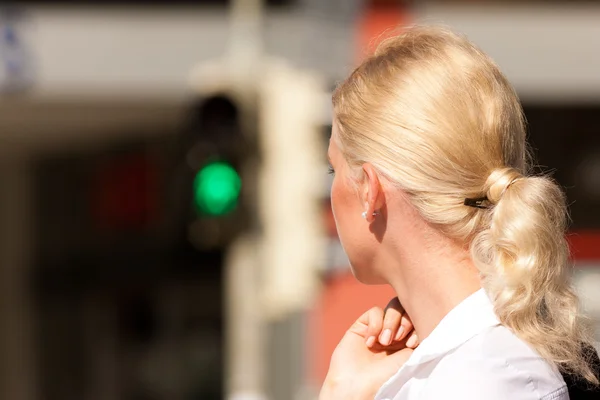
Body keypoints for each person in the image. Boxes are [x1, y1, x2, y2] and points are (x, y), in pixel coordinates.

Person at [319, 26, 600, 400]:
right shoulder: (484, 365)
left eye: (334, 171)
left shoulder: (486, 376)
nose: (331, 193)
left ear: (369, 190)